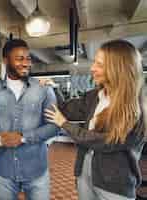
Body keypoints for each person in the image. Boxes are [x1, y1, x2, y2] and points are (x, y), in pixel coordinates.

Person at [45, 40, 147, 200]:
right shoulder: (95, 96)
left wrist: (64, 124)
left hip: (114, 183)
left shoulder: (135, 111)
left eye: (99, 64)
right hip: (86, 170)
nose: (92, 68)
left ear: (117, 69)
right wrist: (53, 88)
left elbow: (102, 142)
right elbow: (65, 109)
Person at [0, 39, 59, 200]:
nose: (26, 63)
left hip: (36, 170)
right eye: (19, 58)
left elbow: (54, 127)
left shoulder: (44, 89)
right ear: (5, 61)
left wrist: (22, 137)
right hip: (4, 170)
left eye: (28, 58)